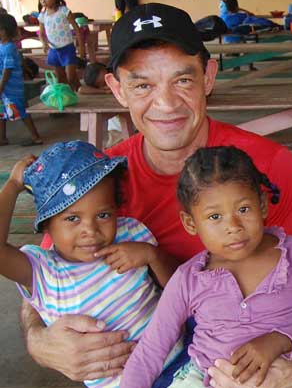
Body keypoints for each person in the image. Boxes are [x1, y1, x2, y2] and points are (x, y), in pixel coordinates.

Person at [21, 3, 292, 388]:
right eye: (142, 85)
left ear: (208, 77)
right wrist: (40, 341)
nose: (166, 104)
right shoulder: (96, 181)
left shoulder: (267, 167)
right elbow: (41, 273)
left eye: (182, 81)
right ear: (117, 89)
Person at [121, 146, 292, 388]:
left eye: (243, 209)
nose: (234, 226)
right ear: (190, 222)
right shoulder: (188, 279)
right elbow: (150, 352)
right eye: (215, 217)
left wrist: (281, 341)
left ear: (262, 205)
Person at [1, 141, 182, 388]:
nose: (91, 230)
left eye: (103, 215)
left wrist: (153, 256)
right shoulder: (41, 272)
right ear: (46, 225)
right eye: (72, 218)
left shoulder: (131, 233)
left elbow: (180, 291)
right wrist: (12, 186)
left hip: (183, 357)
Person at [0, 13, 42, 146]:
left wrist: (1, 86)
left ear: (6, 31)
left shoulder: (8, 48)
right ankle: (2, 138)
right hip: (6, 87)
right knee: (2, 111)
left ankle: (36, 137)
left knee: (22, 111)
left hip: (10, 87)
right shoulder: (4, 45)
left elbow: (8, 68)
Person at [37, 0, 83, 91]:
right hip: (54, 50)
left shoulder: (64, 11)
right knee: (60, 79)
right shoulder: (42, 16)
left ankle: (77, 92)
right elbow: (41, 34)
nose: (43, 1)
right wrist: (44, 43)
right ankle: (67, 97)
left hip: (67, 48)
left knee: (70, 77)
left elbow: (77, 29)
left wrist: (81, 48)